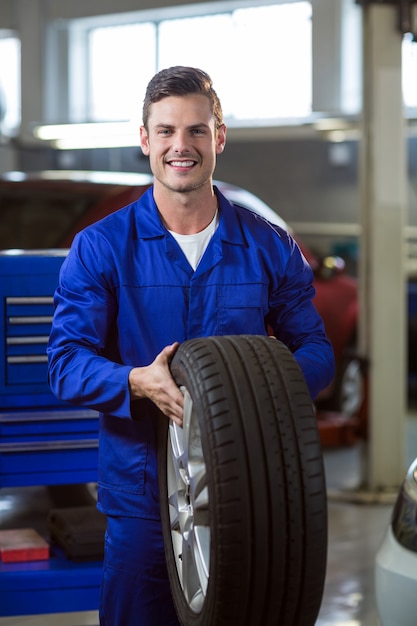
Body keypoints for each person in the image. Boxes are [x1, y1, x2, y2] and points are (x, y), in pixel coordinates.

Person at [47, 66, 334, 626]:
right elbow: (65, 363)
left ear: (219, 138)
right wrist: (135, 381)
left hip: (247, 489)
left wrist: (262, 398)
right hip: (141, 492)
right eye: (167, 131)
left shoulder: (269, 246)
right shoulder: (102, 248)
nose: (182, 146)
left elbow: (316, 350)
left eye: (197, 131)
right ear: (145, 141)